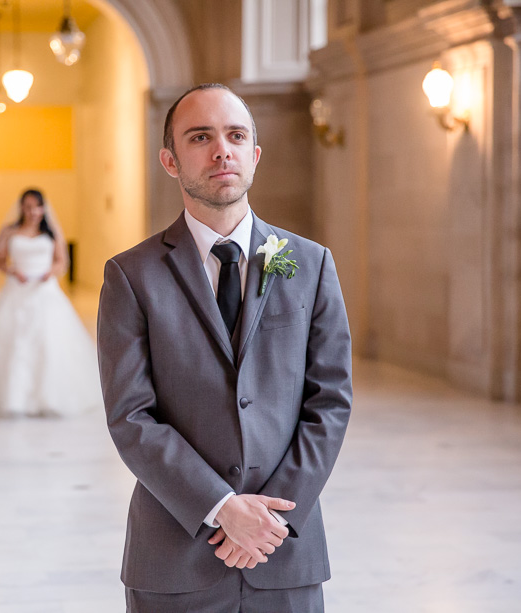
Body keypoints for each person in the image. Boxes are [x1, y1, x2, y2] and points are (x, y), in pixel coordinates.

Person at [96, 84, 352, 611]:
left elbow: (330, 401)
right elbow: (132, 417)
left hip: (283, 553)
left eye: (236, 136)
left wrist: (269, 519)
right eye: (200, 137)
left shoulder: (311, 264)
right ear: (170, 160)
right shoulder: (131, 276)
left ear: (254, 154)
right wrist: (222, 508)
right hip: (175, 559)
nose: (221, 151)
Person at [0, 188, 102, 418]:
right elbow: (0, 261)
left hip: (45, 291)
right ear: (21, 208)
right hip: (17, 290)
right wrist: (12, 271)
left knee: (49, 341)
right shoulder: (9, 231)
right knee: (15, 342)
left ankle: (50, 397)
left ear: (43, 208)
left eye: (37, 207)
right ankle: (14, 398)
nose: (32, 212)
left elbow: (60, 261)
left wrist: (50, 273)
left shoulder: (51, 233)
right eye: (28, 207)